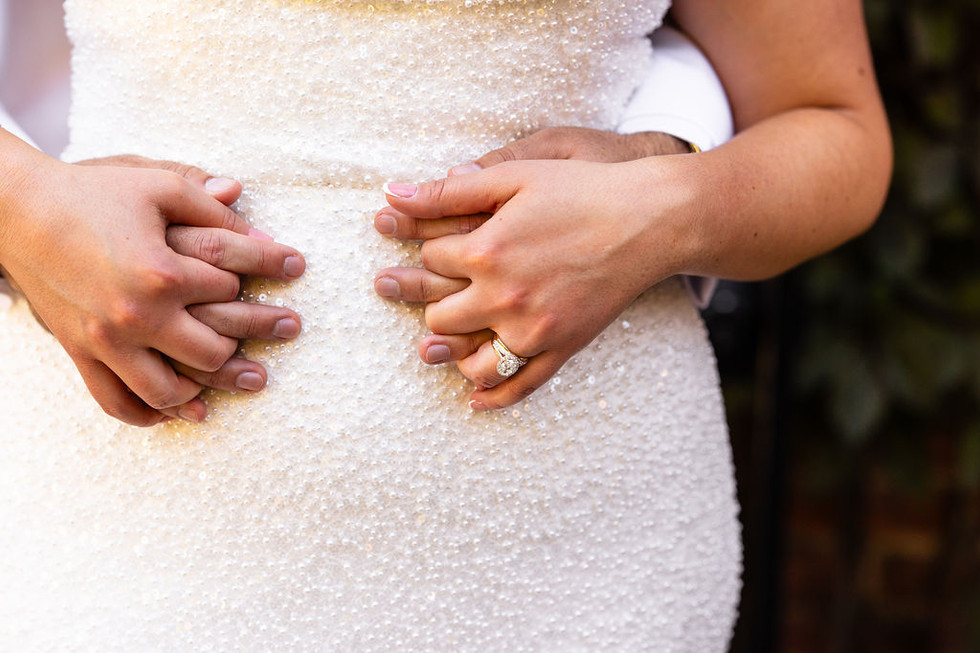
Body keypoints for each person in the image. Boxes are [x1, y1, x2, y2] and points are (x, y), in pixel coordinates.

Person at [0, 1, 891, 652]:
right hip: (128, 536)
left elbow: (834, 127)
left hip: (579, 545)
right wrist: (26, 209)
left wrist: (664, 207)